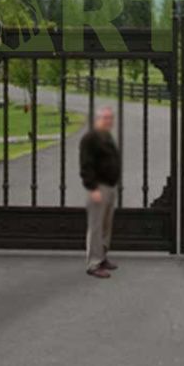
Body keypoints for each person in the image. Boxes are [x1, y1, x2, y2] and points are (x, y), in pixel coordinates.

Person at [79, 106, 120, 278]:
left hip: (109, 187)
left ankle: (102, 257)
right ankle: (93, 264)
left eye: (111, 118)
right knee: (96, 226)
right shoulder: (90, 138)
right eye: (105, 118)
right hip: (98, 188)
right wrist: (92, 187)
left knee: (105, 225)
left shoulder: (107, 136)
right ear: (97, 119)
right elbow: (86, 164)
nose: (109, 121)